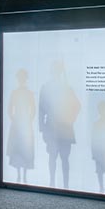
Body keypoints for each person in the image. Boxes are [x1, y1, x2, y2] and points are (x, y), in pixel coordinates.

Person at [39, 60, 80, 189]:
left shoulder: (67, 88)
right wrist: (43, 129)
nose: (56, 73)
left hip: (64, 129)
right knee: (53, 157)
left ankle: (65, 185)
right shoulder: (46, 88)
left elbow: (77, 106)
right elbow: (41, 110)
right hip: (52, 128)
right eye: (55, 70)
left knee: (64, 159)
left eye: (58, 70)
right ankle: (52, 182)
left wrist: (70, 119)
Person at [7, 69, 35, 183]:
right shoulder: (16, 93)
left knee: (25, 148)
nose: (21, 80)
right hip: (19, 123)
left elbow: (33, 110)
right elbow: (9, 109)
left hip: (23, 123)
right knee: (18, 148)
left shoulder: (28, 93)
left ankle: (23, 175)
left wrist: (28, 120)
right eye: (20, 78)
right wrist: (15, 119)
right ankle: (20, 174)